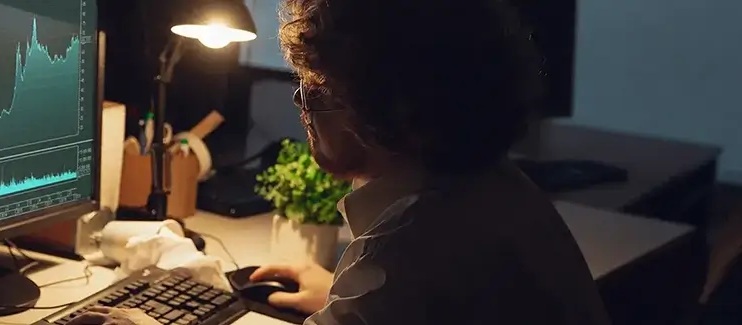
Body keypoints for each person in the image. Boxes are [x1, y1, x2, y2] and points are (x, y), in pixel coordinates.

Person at [69, 0, 613, 324]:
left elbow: (415, 287)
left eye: (318, 91)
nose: (303, 109)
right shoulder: (503, 193)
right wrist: (343, 296)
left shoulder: (410, 249)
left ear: (391, 109)